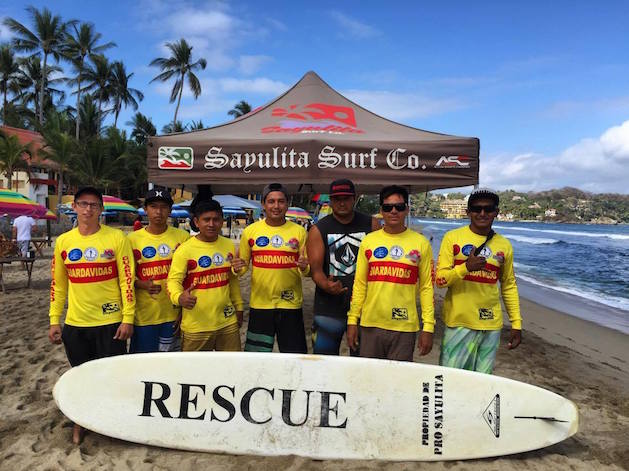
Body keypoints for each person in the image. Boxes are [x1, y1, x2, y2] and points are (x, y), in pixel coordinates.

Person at [48, 187, 135, 444]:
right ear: (74, 207)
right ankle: (81, 422)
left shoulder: (117, 238)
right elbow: (58, 285)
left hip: (111, 323)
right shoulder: (64, 242)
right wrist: (55, 320)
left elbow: (126, 281)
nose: (88, 209)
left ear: (101, 209)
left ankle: (112, 423)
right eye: (83, 204)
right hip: (75, 324)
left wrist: (128, 318)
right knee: (81, 376)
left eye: (94, 205)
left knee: (112, 377)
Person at [435, 188, 522, 374]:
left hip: (491, 326)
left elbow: (509, 286)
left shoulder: (504, 245)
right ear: (468, 212)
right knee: (451, 380)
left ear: (496, 212)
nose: (482, 213)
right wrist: (466, 267)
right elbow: (440, 280)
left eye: (488, 209)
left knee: (482, 384)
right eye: (476, 208)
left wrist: (516, 323)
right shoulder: (453, 238)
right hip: (459, 323)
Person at [347, 185, 434, 361]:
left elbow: (426, 287)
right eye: (388, 207)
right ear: (381, 211)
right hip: (370, 324)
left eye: (399, 207)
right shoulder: (369, 242)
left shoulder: (421, 243)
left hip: (404, 326)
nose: (393, 211)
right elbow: (360, 284)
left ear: (407, 210)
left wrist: (428, 327)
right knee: (370, 382)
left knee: (399, 384)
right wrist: (352, 320)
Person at [231, 183, 309, 353]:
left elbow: (306, 269)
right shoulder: (250, 231)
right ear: (263, 204)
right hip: (260, 305)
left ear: (287, 204)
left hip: (290, 304)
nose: (276, 206)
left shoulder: (299, 232)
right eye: (271, 201)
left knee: (294, 358)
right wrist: (237, 268)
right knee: (257, 358)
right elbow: (242, 267)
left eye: (281, 201)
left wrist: (305, 267)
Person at [306, 179, 380, 355]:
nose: (341, 202)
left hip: (365, 306)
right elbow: (315, 271)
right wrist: (326, 284)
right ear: (330, 200)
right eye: (336, 198)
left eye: (346, 198)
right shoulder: (319, 229)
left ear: (354, 198)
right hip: (328, 307)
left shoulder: (371, 225)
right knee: (324, 362)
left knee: (362, 363)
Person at [167, 199, 244, 351]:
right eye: (206, 220)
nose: (211, 224)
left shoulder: (229, 245)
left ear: (222, 221)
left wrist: (239, 307)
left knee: (230, 369)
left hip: (227, 322)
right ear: (196, 222)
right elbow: (173, 281)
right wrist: (179, 297)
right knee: (194, 373)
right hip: (196, 326)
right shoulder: (185, 250)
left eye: (216, 219)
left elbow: (232, 281)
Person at [127, 189, 189, 353]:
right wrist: (142, 284)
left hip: (172, 314)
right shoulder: (131, 240)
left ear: (170, 210)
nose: (158, 212)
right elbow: (124, 278)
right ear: (145, 209)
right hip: (144, 316)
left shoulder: (183, 238)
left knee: (169, 365)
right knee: (143, 365)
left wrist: (183, 310)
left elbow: (189, 278)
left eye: (163, 207)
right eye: (153, 206)